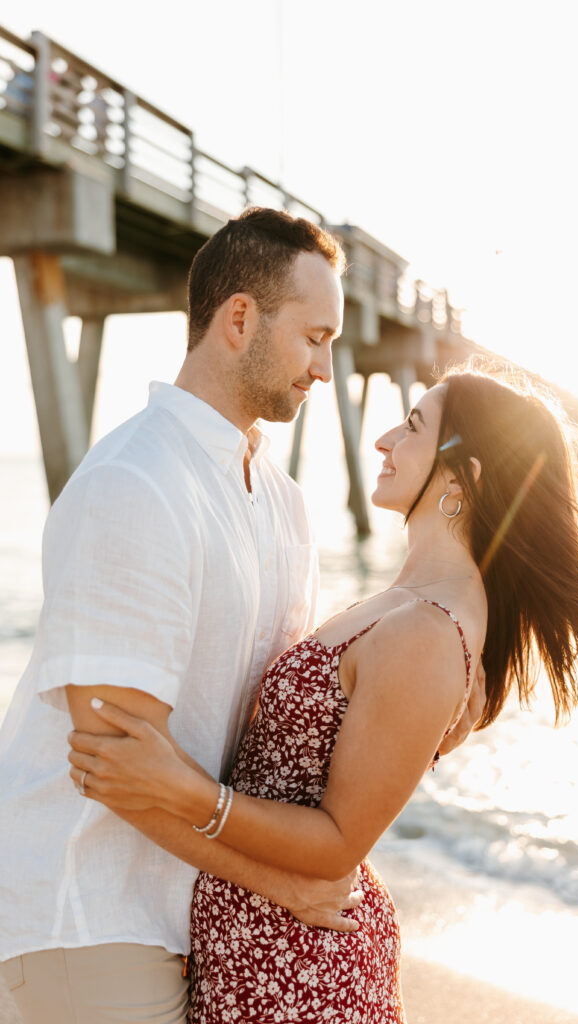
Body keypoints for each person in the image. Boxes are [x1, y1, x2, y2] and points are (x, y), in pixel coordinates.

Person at [67, 364, 578, 1023]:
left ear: (462, 476)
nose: (381, 440)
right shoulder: (404, 604)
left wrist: (179, 790)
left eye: (412, 427)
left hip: (303, 966)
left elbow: (337, 843)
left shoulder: (428, 631)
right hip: (261, 945)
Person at [0, 208, 369, 1022]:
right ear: (239, 318)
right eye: (314, 337)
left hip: (194, 905)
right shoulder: (135, 485)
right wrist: (286, 883)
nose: (323, 367)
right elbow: (115, 767)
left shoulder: (285, 504)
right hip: (88, 914)